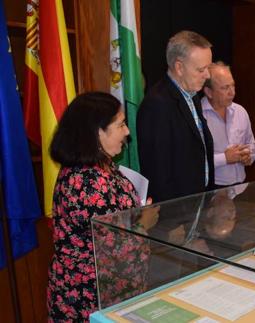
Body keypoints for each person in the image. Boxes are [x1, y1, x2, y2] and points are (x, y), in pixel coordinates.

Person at [47, 92, 157, 322]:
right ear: (98, 132)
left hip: (113, 294)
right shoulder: (86, 182)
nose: (127, 132)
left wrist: (136, 212)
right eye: (120, 125)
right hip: (89, 300)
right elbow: (114, 248)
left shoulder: (101, 165)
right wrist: (143, 223)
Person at [138, 30, 214, 202]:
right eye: (201, 69)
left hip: (198, 203)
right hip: (176, 214)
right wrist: (171, 223)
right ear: (179, 67)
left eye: (208, 68)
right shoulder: (157, 105)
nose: (208, 75)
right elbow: (157, 171)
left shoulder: (192, 95)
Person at [201, 61, 255, 188]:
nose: (232, 93)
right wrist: (225, 158)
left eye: (233, 86)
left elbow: (251, 143)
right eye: (225, 88)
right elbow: (193, 161)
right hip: (211, 188)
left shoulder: (240, 112)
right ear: (209, 92)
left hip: (240, 187)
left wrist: (249, 155)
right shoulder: (198, 116)